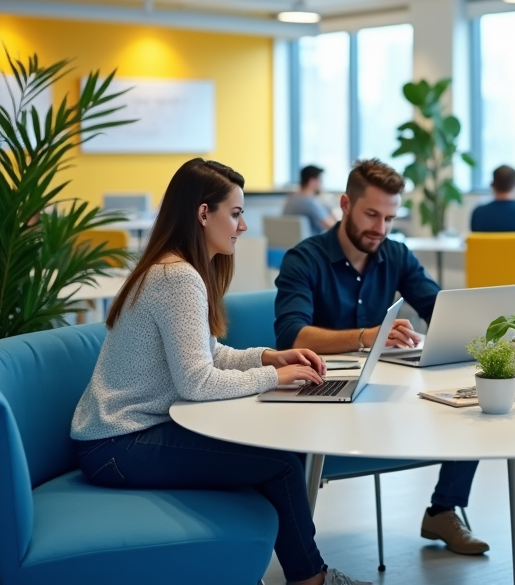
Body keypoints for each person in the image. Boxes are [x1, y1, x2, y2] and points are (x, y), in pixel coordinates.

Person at [71, 158, 366, 585]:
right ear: (203, 213)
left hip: (121, 438)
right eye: (237, 213)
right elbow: (197, 382)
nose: (243, 226)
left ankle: (299, 571)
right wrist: (274, 378)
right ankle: (312, 580)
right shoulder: (176, 277)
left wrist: (269, 357)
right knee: (282, 461)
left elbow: (208, 355)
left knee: (278, 451)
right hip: (117, 445)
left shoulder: (177, 269)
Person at [274, 158, 489, 556]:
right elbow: (292, 334)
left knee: (475, 399)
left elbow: (438, 309)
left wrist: (475, 330)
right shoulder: (303, 260)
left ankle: (443, 510)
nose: (380, 228)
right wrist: (366, 336)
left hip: (382, 390)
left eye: (390, 218)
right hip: (324, 394)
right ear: (345, 204)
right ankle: (303, 558)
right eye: (372, 214)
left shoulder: (396, 254)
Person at [283, 164, 335, 233]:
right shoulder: (309, 203)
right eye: (320, 181)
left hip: (289, 242)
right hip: (310, 242)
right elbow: (333, 227)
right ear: (312, 181)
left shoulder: (291, 199)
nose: (322, 185)